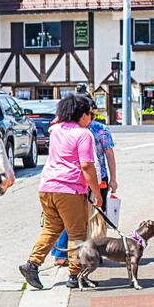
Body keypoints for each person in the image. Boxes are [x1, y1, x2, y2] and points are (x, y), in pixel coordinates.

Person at [19, 94, 103, 291]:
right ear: (82, 115)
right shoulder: (84, 135)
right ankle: (74, 276)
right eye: (89, 114)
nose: (90, 118)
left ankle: (32, 264)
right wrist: (97, 193)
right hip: (70, 189)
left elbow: (57, 120)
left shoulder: (55, 130)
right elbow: (87, 167)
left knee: (51, 228)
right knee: (77, 233)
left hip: (47, 186)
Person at [50, 102, 117, 265]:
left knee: (71, 217)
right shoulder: (99, 129)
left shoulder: (63, 129)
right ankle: (92, 253)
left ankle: (63, 254)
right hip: (94, 179)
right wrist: (113, 179)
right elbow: (108, 155)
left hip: (73, 180)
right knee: (95, 217)